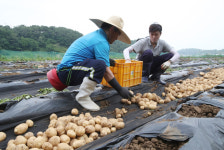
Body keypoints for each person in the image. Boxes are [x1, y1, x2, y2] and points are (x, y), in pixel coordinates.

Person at [47, 16, 133, 111]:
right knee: (101, 65)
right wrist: (120, 89)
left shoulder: (97, 36)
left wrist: (107, 60)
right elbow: (106, 71)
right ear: (112, 30)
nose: (117, 38)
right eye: (118, 34)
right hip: (66, 72)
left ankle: (83, 94)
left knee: (101, 63)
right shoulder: (101, 41)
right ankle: (83, 97)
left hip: (68, 71)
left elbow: (88, 57)